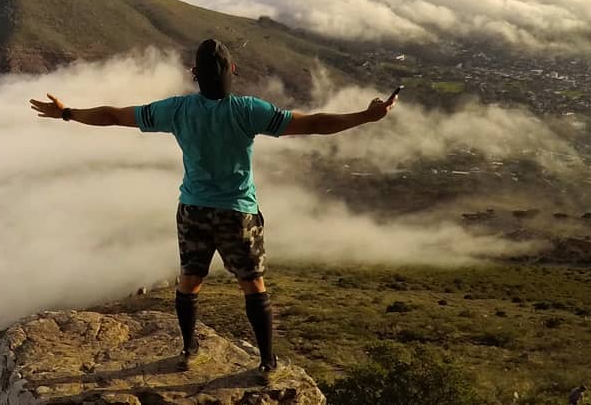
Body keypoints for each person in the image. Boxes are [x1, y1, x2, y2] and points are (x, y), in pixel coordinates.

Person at [29, 38, 398, 376]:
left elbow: (113, 115)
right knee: (253, 285)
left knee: (190, 282)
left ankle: (189, 350)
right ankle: (267, 361)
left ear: (194, 75)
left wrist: (67, 113)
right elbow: (313, 123)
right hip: (238, 212)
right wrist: (365, 116)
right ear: (232, 72)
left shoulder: (176, 110)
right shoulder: (248, 110)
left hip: (193, 209)